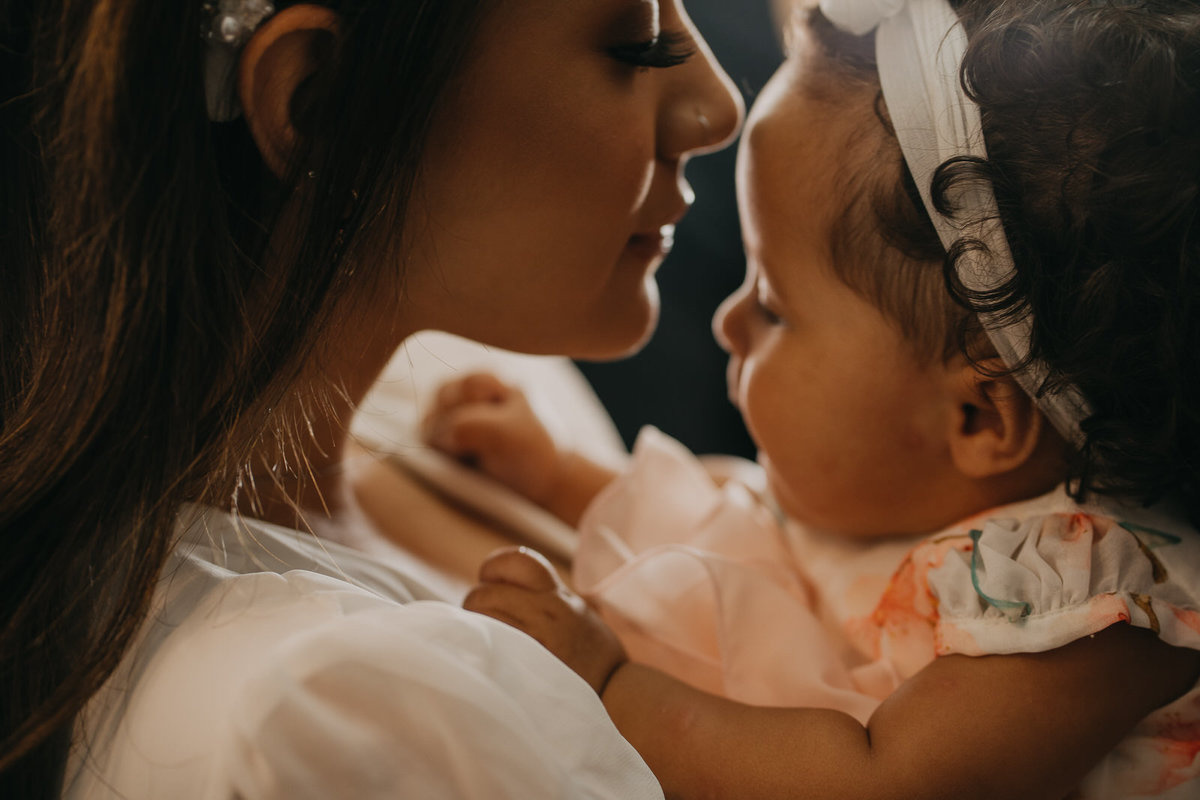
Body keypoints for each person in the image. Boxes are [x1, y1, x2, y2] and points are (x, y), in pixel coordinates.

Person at [424, 1, 1200, 797]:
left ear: (976, 417)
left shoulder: (1092, 603)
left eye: (771, 302)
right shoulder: (881, 498)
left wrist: (612, 685)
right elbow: (737, 528)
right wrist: (554, 473)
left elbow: (875, 782)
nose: (729, 323)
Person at [0, 0, 742, 796]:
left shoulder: (478, 414)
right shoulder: (341, 717)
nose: (720, 107)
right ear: (318, 102)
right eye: (637, 47)